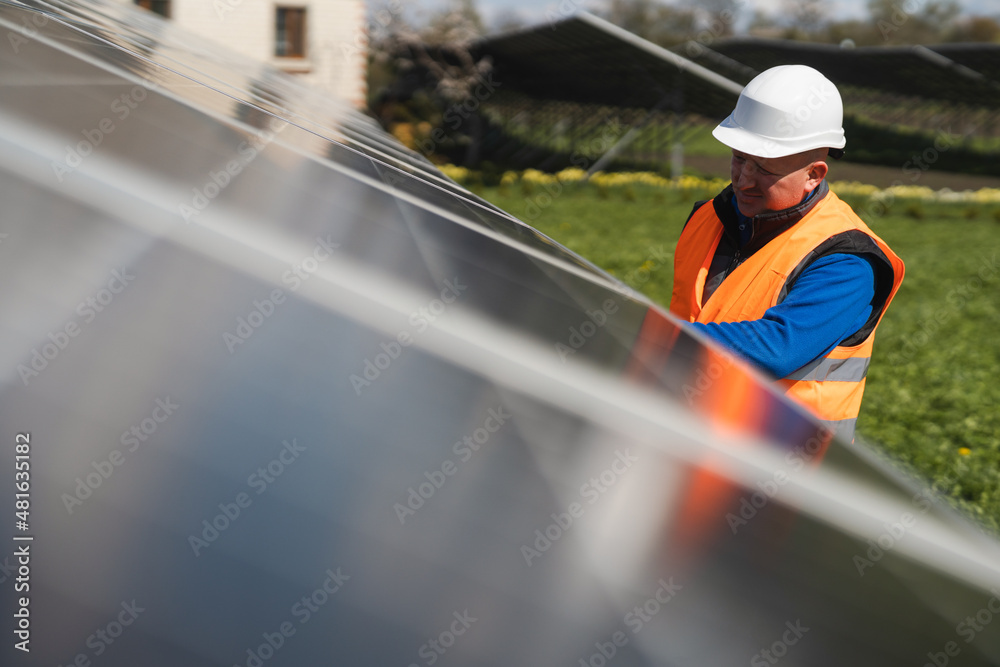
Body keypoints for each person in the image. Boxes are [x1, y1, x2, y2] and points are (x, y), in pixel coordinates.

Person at [669, 65, 905, 442]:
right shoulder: (706, 217)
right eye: (738, 158)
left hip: (781, 465)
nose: (743, 179)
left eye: (763, 168)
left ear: (814, 173)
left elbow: (780, 347)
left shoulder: (848, 259)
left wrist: (655, 335)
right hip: (686, 434)